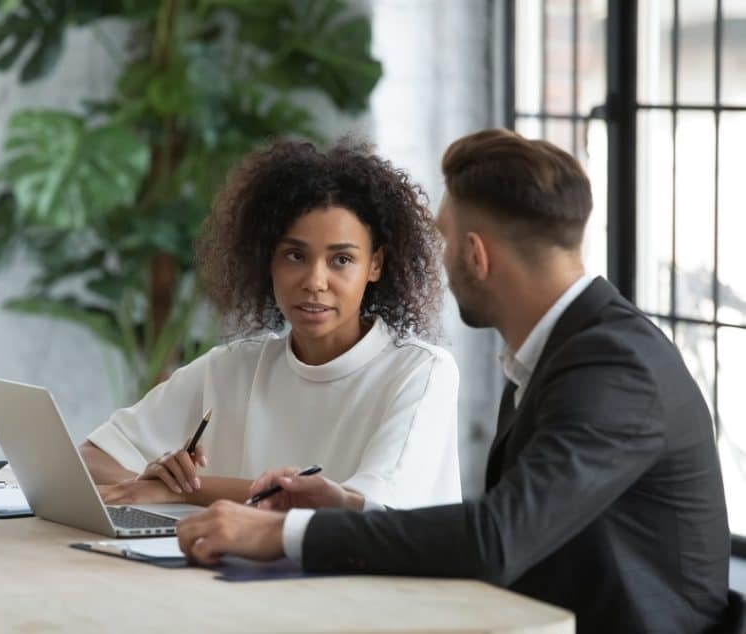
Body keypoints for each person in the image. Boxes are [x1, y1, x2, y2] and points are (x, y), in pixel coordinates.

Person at [175, 129, 732, 633]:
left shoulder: (613, 366)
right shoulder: (557, 351)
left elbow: (497, 537)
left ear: (475, 253)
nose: (437, 262)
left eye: (443, 240)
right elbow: (512, 523)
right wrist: (346, 507)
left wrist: (278, 534)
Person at [79, 140, 462, 512]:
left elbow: (353, 509)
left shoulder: (422, 372)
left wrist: (180, 492)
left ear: (375, 264)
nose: (314, 281)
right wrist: (148, 480)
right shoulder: (231, 367)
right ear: (268, 261)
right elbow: (89, 458)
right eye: (295, 255)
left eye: (341, 260)